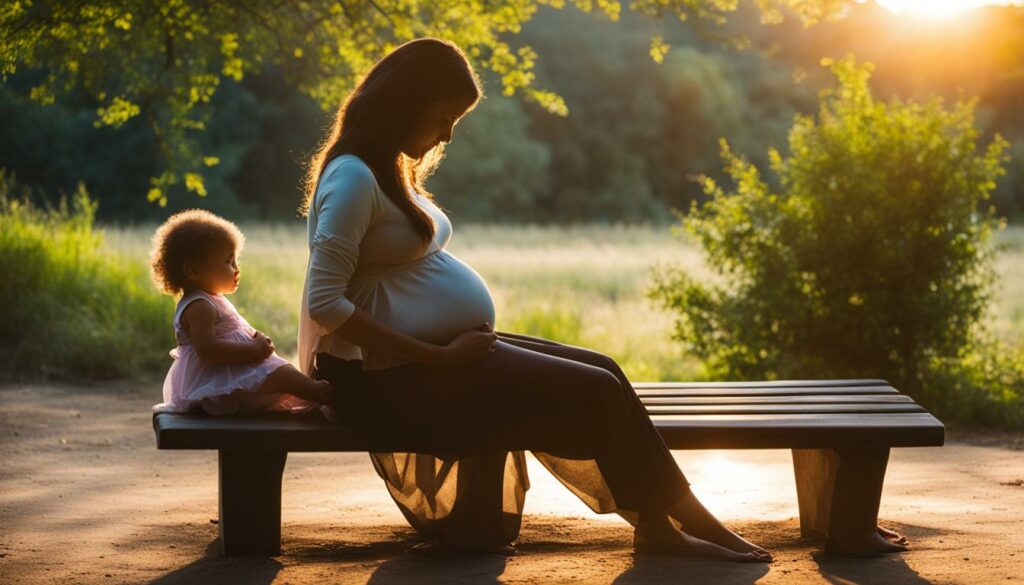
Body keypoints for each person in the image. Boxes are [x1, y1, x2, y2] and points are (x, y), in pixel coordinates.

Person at [298, 37, 776, 562]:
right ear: (406, 102)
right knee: (593, 389)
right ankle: (690, 523)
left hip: (422, 364)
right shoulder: (352, 177)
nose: (448, 135)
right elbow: (326, 303)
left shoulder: (386, 168)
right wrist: (439, 355)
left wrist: (447, 349)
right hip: (386, 383)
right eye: (443, 118)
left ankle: (659, 521)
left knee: (605, 370)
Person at [150, 209, 333, 415]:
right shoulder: (199, 306)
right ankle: (323, 393)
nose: (236, 268)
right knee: (284, 376)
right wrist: (254, 350)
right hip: (220, 378)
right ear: (193, 271)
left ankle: (312, 397)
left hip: (231, 372)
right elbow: (207, 349)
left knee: (283, 377)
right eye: (228, 262)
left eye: (235, 260)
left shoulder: (210, 300)